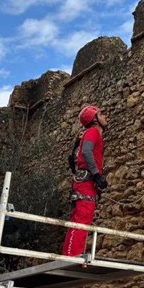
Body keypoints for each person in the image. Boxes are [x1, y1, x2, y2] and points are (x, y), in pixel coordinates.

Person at [62, 105, 108, 256]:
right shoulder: (93, 132)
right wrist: (96, 174)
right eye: (101, 114)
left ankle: (70, 255)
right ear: (95, 119)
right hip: (87, 181)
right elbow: (86, 151)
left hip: (86, 182)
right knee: (82, 218)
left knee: (81, 218)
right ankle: (72, 256)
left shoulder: (89, 133)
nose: (105, 116)